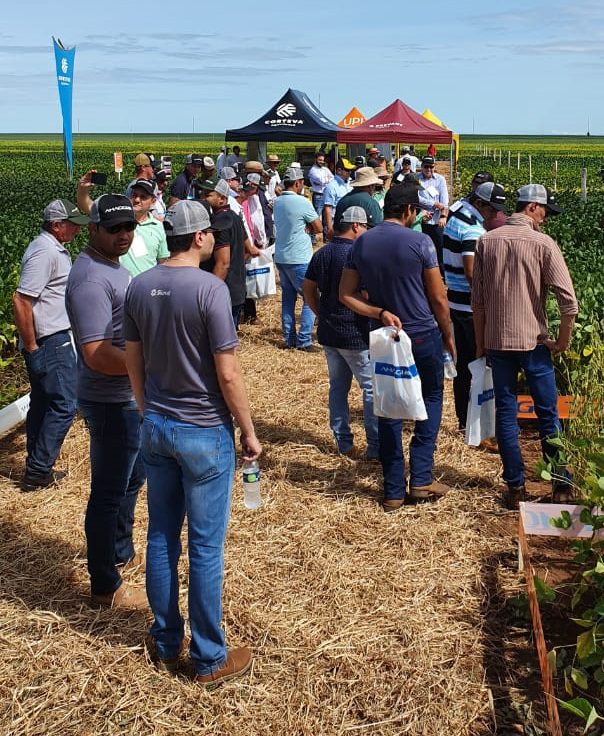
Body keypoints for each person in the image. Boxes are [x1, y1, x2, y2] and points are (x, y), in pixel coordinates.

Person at [123, 199, 261, 686]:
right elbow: (228, 372)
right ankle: (207, 656)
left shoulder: (139, 287)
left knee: (161, 536)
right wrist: (248, 429)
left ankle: (165, 641)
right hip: (203, 430)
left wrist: (146, 409)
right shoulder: (210, 291)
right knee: (204, 547)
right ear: (201, 237)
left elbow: (132, 359)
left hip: (157, 426)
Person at [340, 183, 454, 512]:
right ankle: (420, 477)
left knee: (389, 408)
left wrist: (378, 312)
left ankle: (392, 490)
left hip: (384, 339)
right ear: (408, 211)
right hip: (421, 335)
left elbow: (345, 295)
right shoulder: (421, 241)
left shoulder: (361, 244)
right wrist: (447, 333)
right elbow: (437, 297)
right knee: (430, 398)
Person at [473, 184, 578, 510]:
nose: (545, 219)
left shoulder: (486, 241)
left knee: (506, 414)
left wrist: (481, 346)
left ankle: (515, 486)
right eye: (545, 211)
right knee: (548, 413)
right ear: (533, 207)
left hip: (498, 342)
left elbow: (478, 303)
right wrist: (561, 340)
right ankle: (560, 485)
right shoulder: (544, 244)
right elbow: (568, 303)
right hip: (534, 343)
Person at [65, 194, 147, 610]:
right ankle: (104, 585)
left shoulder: (108, 267)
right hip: (111, 401)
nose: (123, 235)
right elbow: (97, 353)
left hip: (126, 397)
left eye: (128, 227)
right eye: (113, 228)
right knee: (108, 493)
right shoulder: (91, 280)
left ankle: (119, 550)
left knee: (133, 478)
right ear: (93, 228)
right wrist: (149, 366)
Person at [13, 199, 88, 490]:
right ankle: (39, 470)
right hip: (51, 340)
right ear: (57, 226)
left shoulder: (51, 248)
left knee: (44, 402)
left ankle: (35, 465)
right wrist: (32, 347)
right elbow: (21, 300)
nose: (77, 230)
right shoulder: (45, 253)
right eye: (72, 225)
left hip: (49, 338)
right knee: (64, 404)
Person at [302, 206, 378, 459]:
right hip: (355, 333)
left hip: (329, 332)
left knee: (338, 387)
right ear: (356, 226)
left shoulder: (322, 254)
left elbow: (308, 288)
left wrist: (321, 313)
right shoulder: (359, 255)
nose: (366, 231)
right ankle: (375, 445)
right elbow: (365, 294)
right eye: (366, 226)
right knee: (371, 388)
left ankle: (343, 441)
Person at [443, 182, 506, 432]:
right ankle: (469, 422)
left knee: (464, 366)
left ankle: (464, 420)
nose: (495, 215)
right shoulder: (472, 228)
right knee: (473, 364)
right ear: (480, 203)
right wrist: (488, 299)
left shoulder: (458, 214)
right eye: (492, 209)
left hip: (456, 302)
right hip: (468, 308)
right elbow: (471, 271)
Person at [77, 174, 169, 277]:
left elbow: (163, 261)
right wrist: (82, 189)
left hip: (144, 289)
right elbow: (88, 206)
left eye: (143, 197)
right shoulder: (115, 217)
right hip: (117, 284)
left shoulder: (158, 226)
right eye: (135, 195)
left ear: (153, 202)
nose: (137, 200)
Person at [273, 167, 322, 350]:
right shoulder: (302, 202)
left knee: (288, 299)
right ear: (298, 183)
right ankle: (304, 339)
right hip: (299, 256)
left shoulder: (277, 201)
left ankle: (289, 339)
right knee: (310, 298)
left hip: (281, 256)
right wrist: (308, 226)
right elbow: (318, 227)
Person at [198, 177, 250, 329]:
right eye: (202, 193)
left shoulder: (221, 223)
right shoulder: (234, 216)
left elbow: (223, 263)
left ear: (221, 198)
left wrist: (210, 294)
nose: (203, 198)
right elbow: (249, 249)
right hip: (236, 288)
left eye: (208, 195)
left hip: (224, 292)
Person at [418, 156, 449, 269]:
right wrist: (433, 204)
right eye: (426, 166)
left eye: (431, 167)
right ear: (422, 167)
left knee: (440, 247)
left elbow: (444, 200)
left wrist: (443, 216)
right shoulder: (417, 179)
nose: (429, 169)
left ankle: (442, 273)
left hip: (436, 221)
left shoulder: (440, 179)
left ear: (434, 167)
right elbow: (416, 198)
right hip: (422, 220)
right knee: (423, 248)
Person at [333, 167, 383, 232]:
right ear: (370, 186)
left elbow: (336, 227)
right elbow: (377, 229)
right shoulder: (372, 203)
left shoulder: (342, 201)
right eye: (374, 186)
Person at [323, 158, 354, 238]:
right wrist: (330, 228)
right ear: (339, 170)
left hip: (349, 223)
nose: (349, 172)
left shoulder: (350, 183)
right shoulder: (331, 186)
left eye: (350, 170)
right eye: (347, 170)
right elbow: (328, 208)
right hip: (337, 224)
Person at [307, 152, 334, 234]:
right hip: (318, 195)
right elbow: (322, 181)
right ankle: (313, 238)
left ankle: (326, 236)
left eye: (323, 160)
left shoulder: (325, 169)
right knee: (316, 217)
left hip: (326, 195)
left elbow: (332, 178)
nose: (322, 161)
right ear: (315, 159)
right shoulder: (312, 170)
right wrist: (326, 180)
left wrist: (325, 180)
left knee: (326, 217)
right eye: (320, 160)